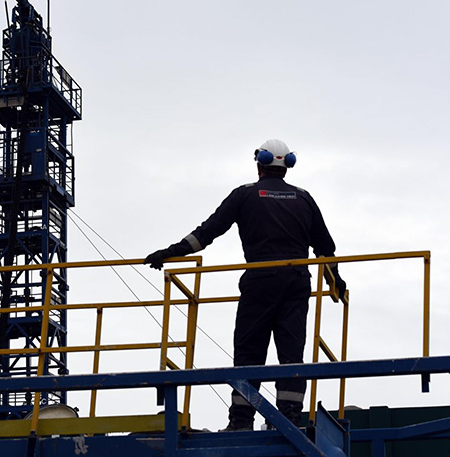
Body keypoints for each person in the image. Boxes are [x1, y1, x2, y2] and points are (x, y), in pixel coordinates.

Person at [144, 139, 346, 431]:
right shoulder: (304, 198)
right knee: (291, 353)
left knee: (249, 351)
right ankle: (289, 419)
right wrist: (335, 278)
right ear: (286, 166)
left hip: (260, 281)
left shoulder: (245, 195)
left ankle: (241, 422)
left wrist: (169, 252)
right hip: (297, 282)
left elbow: (206, 233)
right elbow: (326, 249)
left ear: (259, 164)